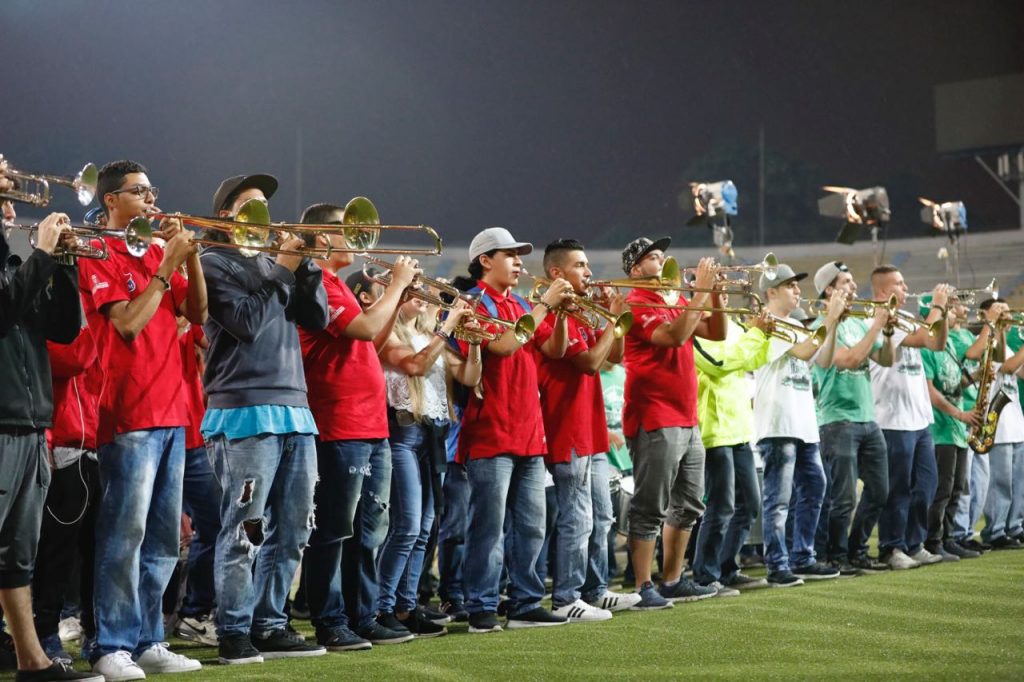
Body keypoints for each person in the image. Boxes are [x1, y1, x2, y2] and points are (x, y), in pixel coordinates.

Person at [78, 160, 206, 679]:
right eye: (139, 192)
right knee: (124, 535)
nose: (152, 200)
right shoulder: (98, 250)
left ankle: (151, 637)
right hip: (127, 413)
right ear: (111, 200)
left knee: (160, 540)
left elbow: (196, 314)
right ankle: (110, 644)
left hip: (172, 409)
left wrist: (188, 259)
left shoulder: (158, 250)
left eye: (153, 190)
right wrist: (164, 267)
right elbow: (128, 324)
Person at [200, 175, 327, 665]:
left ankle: (270, 623)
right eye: (250, 206)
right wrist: (285, 267)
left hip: (296, 408)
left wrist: (307, 265)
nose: (263, 215)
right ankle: (232, 629)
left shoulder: (278, 264)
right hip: (242, 410)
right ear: (227, 217)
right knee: (245, 527)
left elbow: (316, 319)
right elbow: (248, 324)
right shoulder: (213, 262)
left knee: (294, 527)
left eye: (265, 207)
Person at [297, 202, 422, 650]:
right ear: (318, 237)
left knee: (371, 529)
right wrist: (398, 286)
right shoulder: (316, 283)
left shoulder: (338, 286)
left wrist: (397, 299)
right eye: (342, 229)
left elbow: (376, 337)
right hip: (339, 422)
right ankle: (330, 620)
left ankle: (362, 615)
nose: (353, 235)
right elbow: (364, 330)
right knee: (335, 528)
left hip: (371, 424)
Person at [1, 155, 98, 681]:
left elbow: (62, 331)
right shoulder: (19, 259)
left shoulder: (16, 257)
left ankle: (31, 662)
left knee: (16, 555)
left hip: (29, 418)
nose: (11, 182)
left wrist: (64, 263)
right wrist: (38, 253)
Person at [455, 227, 573, 633]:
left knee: (531, 525)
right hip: (490, 431)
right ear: (485, 261)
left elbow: (553, 350)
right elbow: (504, 345)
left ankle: (525, 602)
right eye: (510, 254)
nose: (520, 261)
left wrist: (559, 313)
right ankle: (481, 607)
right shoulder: (471, 303)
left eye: (520, 254)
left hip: (528, 430)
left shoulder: (521, 301)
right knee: (487, 526)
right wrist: (543, 306)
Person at [534, 239, 639, 619]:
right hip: (568, 429)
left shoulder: (578, 312)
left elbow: (615, 357)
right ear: (556, 273)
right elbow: (591, 363)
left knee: (602, 516)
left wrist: (616, 320)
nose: (589, 272)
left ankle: (595, 589)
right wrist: (613, 322)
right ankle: (566, 598)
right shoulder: (549, 316)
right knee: (576, 518)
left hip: (590, 429)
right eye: (580, 265)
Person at [620, 237, 725, 609]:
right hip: (654, 414)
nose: (663, 260)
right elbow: (674, 335)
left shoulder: (674, 298)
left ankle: (672, 580)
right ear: (635, 270)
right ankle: (643, 584)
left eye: (663, 254)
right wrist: (699, 292)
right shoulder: (635, 301)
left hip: (685, 415)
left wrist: (714, 297)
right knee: (651, 505)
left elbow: (717, 333)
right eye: (653, 258)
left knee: (690, 503)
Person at [376, 284, 480, 635]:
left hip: (432, 437)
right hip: (403, 437)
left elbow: (468, 376)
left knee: (424, 530)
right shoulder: (388, 335)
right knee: (405, 527)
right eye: (412, 292)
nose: (422, 297)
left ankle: (406, 607)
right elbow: (416, 367)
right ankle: (382, 606)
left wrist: (476, 339)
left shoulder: (429, 337)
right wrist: (446, 328)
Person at [753, 265, 845, 586]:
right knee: (778, 499)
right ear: (771, 292)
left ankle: (802, 556)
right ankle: (777, 565)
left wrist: (831, 327)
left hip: (803, 422)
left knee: (815, 487)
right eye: (789, 286)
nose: (797, 291)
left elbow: (823, 359)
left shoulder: (793, 323)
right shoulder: (769, 323)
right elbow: (805, 350)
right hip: (778, 422)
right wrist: (829, 319)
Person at [811, 261, 895, 576]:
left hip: (866, 417)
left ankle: (858, 549)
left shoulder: (859, 323)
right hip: (837, 420)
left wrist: (886, 333)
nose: (854, 287)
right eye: (846, 282)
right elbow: (849, 359)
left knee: (880, 490)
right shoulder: (822, 323)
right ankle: (836, 555)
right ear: (829, 289)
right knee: (842, 497)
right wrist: (875, 325)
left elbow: (885, 359)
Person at [691, 290, 773, 596]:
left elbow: (755, 358)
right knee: (721, 506)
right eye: (718, 293)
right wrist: (754, 334)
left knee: (750, 504)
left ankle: (726, 567)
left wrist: (763, 334)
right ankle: (705, 574)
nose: (723, 298)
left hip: (739, 428)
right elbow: (719, 362)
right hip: (714, 428)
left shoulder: (736, 328)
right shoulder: (698, 327)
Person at [869, 266, 951, 568]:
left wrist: (940, 313)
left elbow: (938, 343)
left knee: (927, 486)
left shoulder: (905, 319)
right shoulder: (881, 318)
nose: (906, 289)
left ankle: (914, 543)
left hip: (919, 420)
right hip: (893, 419)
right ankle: (892, 548)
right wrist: (938, 304)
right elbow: (928, 338)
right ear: (882, 291)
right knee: (897, 488)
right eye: (899, 284)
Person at [171, 316, 221, 647]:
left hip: (193, 434)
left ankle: (196, 612)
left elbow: (214, 342)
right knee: (148, 535)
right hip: (151, 429)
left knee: (216, 524)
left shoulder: (186, 312)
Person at [920, 295, 982, 559]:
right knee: (942, 490)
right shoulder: (927, 348)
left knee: (956, 488)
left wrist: (977, 376)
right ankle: (933, 541)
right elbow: (931, 391)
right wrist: (959, 413)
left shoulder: (949, 348)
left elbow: (954, 386)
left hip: (956, 428)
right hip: (941, 428)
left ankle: (948, 537)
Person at [976, 299, 1024, 549]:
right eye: (1001, 311)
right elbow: (1006, 368)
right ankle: (995, 530)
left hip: (1016, 421)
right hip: (999, 424)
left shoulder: (1005, 345)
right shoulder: (988, 343)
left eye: (1008, 311)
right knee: (1001, 482)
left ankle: (1014, 526)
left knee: (1019, 482)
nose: (1007, 315)